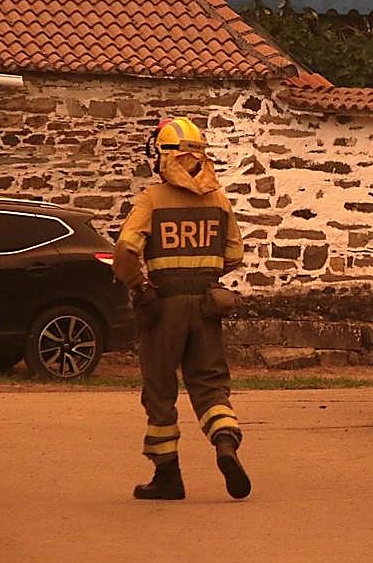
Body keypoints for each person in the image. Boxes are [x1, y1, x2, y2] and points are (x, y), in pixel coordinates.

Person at [113, 117, 251, 500]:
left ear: (161, 155)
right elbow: (235, 254)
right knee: (209, 385)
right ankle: (224, 441)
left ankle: (168, 477)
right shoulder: (219, 200)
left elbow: (125, 251)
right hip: (207, 305)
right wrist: (204, 271)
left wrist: (138, 284)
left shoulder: (152, 200)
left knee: (160, 390)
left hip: (163, 308)